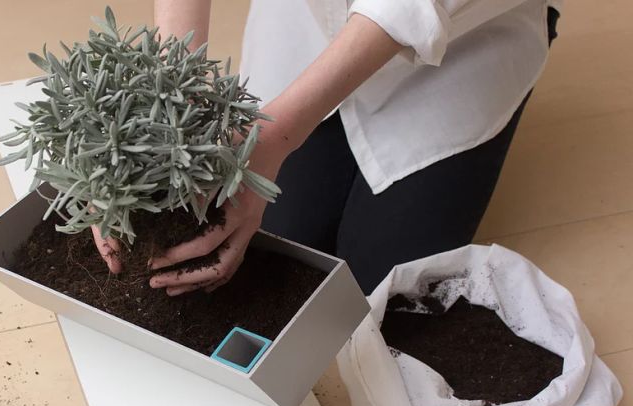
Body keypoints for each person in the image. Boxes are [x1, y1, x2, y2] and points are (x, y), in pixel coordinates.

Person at [95, 0, 561, 296]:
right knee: (279, 244)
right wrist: (171, 92)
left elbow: (407, 7)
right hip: (309, 23)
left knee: (381, 286)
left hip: (462, 40)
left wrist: (270, 141)